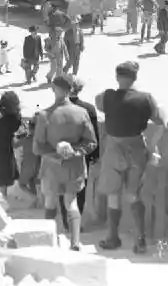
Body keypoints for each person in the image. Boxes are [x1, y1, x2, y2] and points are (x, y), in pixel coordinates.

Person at [95, 61, 166, 254]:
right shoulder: (146, 99)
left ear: (117, 77)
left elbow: (99, 101)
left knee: (113, 193)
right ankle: (140, 240)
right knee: (134, 195)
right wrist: (151, 146)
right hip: (136, 148)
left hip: (114, 148)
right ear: (135, 78)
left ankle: (112, 237)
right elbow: (161, 123)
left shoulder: (106, 97)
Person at [33, 76, 97, 251]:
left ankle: (49, 241)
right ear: (71, 90)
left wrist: (55, 155)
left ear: (54, 89)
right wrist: (74, 152)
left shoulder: (44, 115)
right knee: (71, 202)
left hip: (51, 167)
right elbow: (91, 143)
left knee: (50, 202)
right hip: (74, 165)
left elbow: (37, 147)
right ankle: (75, 242)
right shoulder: (82, 113)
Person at [59, 76, 100, 234]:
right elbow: (94, 134)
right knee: (80, 190)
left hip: (62, 154)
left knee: (63, 188)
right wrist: (95, 155)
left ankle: (66, 222)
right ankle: (77, 223)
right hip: (82, 155)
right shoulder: (89, 109)